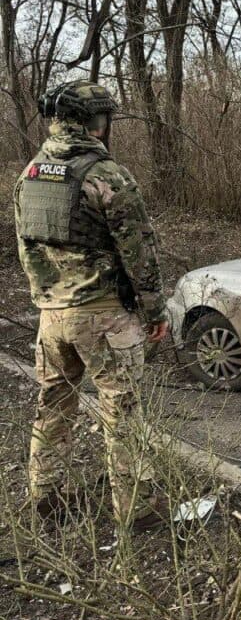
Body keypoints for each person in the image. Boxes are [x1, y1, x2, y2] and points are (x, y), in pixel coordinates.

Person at [13, 79, 169, 530]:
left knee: (53, 403)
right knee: (123, 414)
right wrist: (154, 311)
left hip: (51, 317)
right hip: (102, 316)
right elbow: (140, 250)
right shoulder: (105, 176)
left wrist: (48, 299)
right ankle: (137, 511)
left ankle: (46, 498)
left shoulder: (30, 175)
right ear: (97, 122)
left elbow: (28, 249)